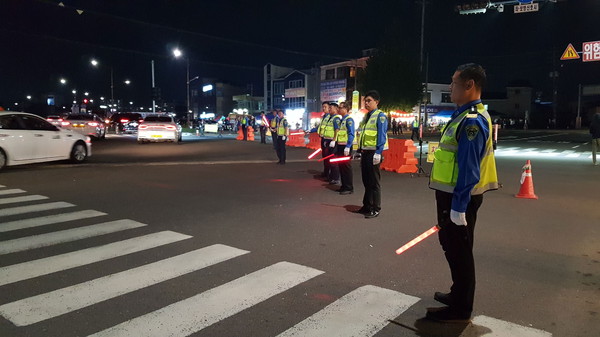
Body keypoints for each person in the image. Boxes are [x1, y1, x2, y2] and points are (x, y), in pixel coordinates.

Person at [426, 63, 498, 323]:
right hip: (453, 195)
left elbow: (468, 167)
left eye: (454, 82)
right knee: (453, 246)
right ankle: (458, 295)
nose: (450, 87)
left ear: (469, 85)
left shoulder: (472, 121)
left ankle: (460, 308)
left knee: (459, 250)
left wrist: (459, 205)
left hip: (459, 198)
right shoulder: (463, 115)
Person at [355, 91, 388, 219]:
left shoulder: (380, 116)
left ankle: (376, 208)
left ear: (376, 102)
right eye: (365, 101)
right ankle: (367, 205)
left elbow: (381, 135)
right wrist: (358, 150)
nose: (366, 103)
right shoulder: (366, 117)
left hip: (374, 152)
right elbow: (362, 134)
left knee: (374, 182)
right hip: (365, 152)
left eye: (369, 100)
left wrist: (379, 152)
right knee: (366, 181)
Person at [334, 102, 355, 194]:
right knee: (341, 166)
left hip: (345, 147)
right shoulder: (342, 120)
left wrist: (348, 146)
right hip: (340, 145)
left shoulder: (349, 120)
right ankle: (344, 185)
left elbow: (351, 134)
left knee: (346, 167)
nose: (339, 109)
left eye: (341, 107)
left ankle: (349, 187)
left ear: (346, 109)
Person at [325, 103, 341, 184]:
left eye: (331, 108)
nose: (329, 109)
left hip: (333, 142)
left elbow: (337, 130)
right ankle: (331, 177)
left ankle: (336, 178)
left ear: (335, 109)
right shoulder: (330, 118)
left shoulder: (336, 118)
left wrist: (334, 140)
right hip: (329, 141)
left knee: (334, 160)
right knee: (330, 160)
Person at [318, 102, 332, 179]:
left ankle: (329, 174)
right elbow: (320, 127)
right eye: (323, 107)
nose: (323, 108)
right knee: (325, 156)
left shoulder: (330, 117)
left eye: (325, 107)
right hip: (323, 138)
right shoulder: (324, 117)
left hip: (329, 139)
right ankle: (326, 172)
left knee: (328, 157)